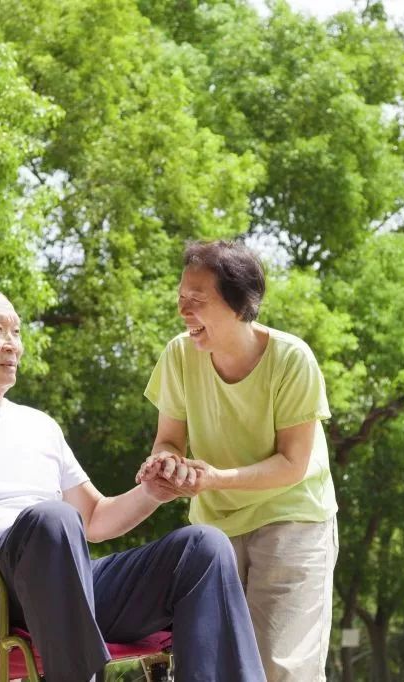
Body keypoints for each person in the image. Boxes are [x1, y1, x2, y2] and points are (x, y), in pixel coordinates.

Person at [0, 284, 265, 682]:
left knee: (203, 548)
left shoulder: (40, 426)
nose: (14, 345)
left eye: (17, 332)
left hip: (68, 584)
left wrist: (152, 492)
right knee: (51, 520)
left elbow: (94, 519)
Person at [138, 240, 339, 682]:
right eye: (181, 299)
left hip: (292, 516)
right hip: (215, 529)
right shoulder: (178, 354)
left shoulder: (291, 360)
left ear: (240, 304)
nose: (183, 312)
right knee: (215, 666)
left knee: (281, 667)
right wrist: (166, 465)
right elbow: (168, 440)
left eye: (197, 301)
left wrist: (213, 479)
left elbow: (292, 464)